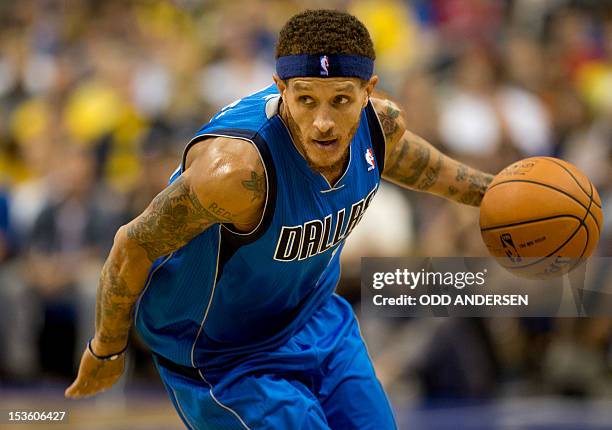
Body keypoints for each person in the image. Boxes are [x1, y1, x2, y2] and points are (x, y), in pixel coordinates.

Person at [65, 10, 493, 429]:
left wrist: (494, 193)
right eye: (305, 99)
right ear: (281, 89)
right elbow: (133, 244)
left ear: (368, 92)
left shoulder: (380, 126)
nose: (323, 122)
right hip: (223, 354)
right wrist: (106, 348)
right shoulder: (236, 173)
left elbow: (423, 167)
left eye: (341, 99)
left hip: (315, 320)